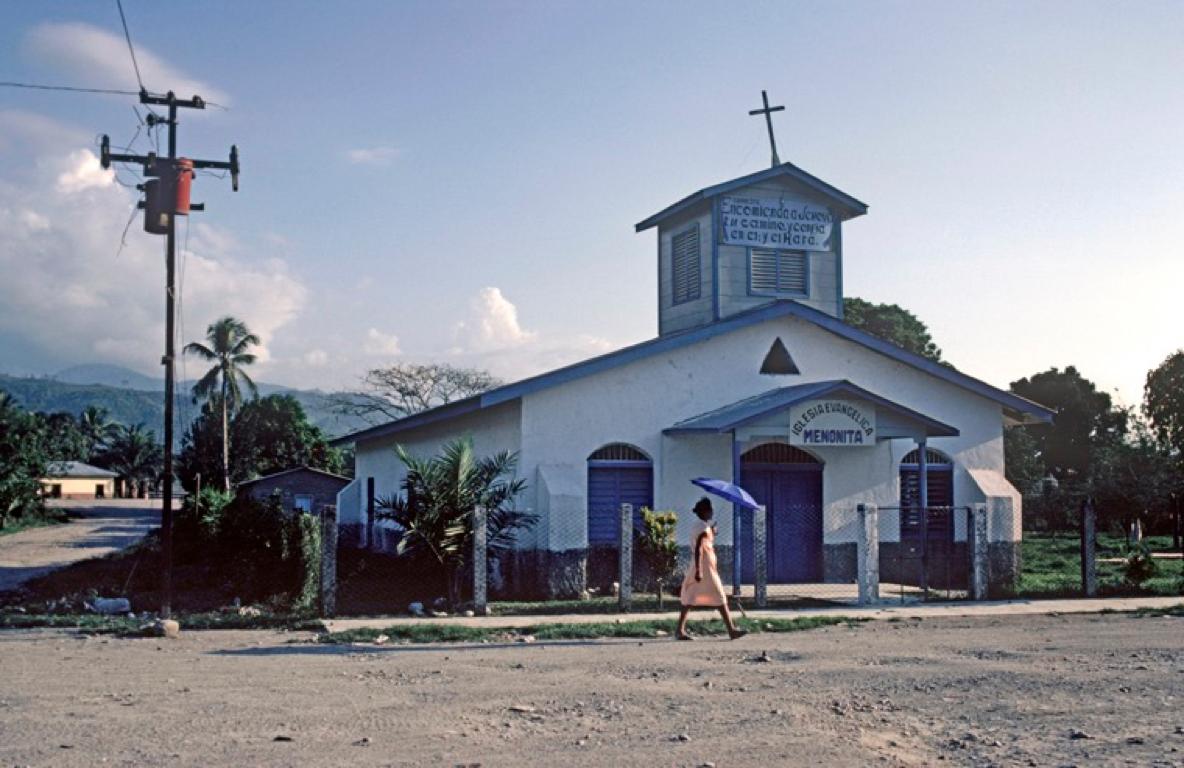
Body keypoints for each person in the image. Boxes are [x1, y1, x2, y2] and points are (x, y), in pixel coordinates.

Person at [675, 497, 747, 641]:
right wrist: (699, 570)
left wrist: (712, 532)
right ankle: (731, 630)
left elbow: (705, 541)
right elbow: (699, 549)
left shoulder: (701, 526)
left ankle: (680, 630)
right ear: (705, 511)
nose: (712, 512)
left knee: (690, 596)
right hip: (705, 567)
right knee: (719, 596)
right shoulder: (703, 528)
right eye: (710, 510)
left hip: (705, 566)